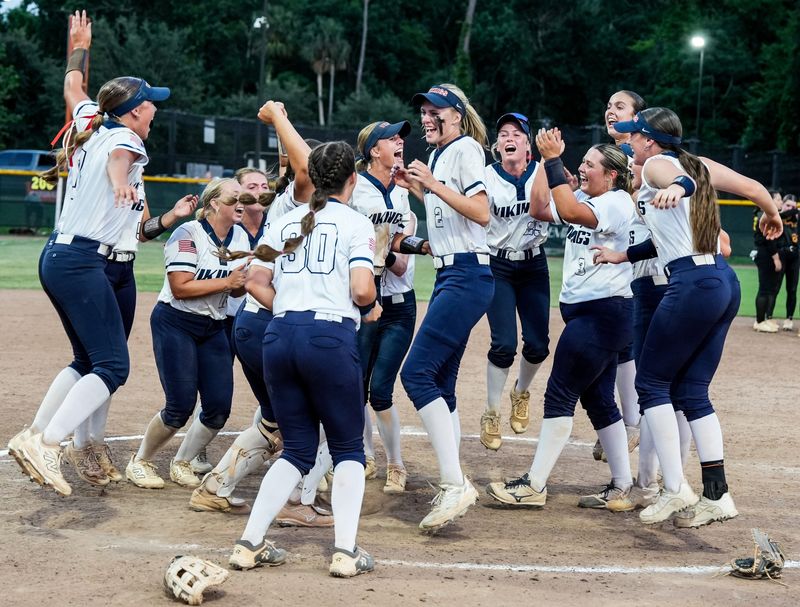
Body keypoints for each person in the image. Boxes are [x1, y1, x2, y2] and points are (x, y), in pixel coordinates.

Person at [7, 10, 174, 496]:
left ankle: (40, 437)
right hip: (84, 261)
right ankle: (49, 442)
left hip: (78, 258)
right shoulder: (124, 137)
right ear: (136, 109)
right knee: (113, 366)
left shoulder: (91, 121)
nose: (155, 110)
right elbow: (119, 163)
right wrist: (120, 184)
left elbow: (74, 89)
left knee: (90, 358)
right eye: (151, 104)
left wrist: (78, 46)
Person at [595, 107, 782, 527]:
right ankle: (717, 494)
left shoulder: (656, 166)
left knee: (651, 383)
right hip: (721, 280)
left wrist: (678, 189)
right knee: (693, 391)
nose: (628, 143)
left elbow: (676, 181)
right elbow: (752, 186)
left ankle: (676, 487)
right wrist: (772, 215)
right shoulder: (697, 162)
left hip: (692, 286)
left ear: (649, 140)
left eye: (632, 137)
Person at [227, 141, 377, 578]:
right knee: (348, 447)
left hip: (279, 335)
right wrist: (362, 308)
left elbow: (254, 279)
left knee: (296, 449)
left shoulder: (286, 219)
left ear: (311, 176)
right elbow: (363, 290)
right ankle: (346, 552)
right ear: (353, 179)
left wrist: (292, 310)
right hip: (328, 337)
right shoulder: (356, 223)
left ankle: (249, 543)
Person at [189, 102, 333, 527]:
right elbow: (306, 170)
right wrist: (278, 119)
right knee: (302, 419)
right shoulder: (296, 200)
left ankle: (215, 488)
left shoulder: (315, 208)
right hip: (269, 323)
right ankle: (293, 501)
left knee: (276, 418)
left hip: (258, 326)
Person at [485, 134, 637, 510]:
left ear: (613, 176)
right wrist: (542, 163)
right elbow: (539, 207)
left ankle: (534, 484)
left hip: (603, 312)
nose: (582, 168)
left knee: (560, 394)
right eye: (581, 162)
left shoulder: (616, 202)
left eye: (590, 164)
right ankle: (621, 486)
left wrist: (555, 163)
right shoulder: (585, 197)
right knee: (599, 399)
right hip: (596, 314)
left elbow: (569, 213)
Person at [394, 84, 494, 532]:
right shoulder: (439, 156)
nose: (427, 116)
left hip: (469, 275)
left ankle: (454, 483)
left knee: (416, 374)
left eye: (435, 110)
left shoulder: (467, 148)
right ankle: (452, 480)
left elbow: (481, 212)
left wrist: (432, 184)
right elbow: (447, 217)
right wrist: (421, 189)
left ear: (456, 115)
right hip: (451, 273)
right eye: (424, 110)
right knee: (441, 381)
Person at [125, 178, 250, 489]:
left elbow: (235, 293)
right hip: (176, 322)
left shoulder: (241, 238)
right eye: (234, 197)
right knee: (180, 406)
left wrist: (242, 283)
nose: (241, 203)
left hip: (213, 325)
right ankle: (140, 461)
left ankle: (182, 461)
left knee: (218, 407)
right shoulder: (187, 233)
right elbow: (181, 287)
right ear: (213, 205)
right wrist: (229, 282)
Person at [480, 112, 550, 451]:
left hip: (535, 264)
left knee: (538, 344)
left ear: (528, 145)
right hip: (499, 265)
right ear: (497, 146)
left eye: (517, 134)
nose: (509, 137)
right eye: (503, 133)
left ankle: (521, 392)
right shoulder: (486, 178)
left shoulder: (544, 172)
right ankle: (492, 412)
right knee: (504, 343)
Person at [351, 119, 413, 491]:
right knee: (356, 387)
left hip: (399, 305)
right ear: (374, 150)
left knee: (381, 391)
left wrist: (385, 252)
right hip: (363, 302)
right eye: (391, 138)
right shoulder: (356, 191)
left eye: (400, 137)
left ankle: (396, 464)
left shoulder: (403, 192)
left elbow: (401, 262)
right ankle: (365, 456)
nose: (399, 141)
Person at [752, 191, 785, 332]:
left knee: (769, 288)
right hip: (766, 256)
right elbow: (768, 239)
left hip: (767, 254)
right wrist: (776, 258)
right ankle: (759, 321)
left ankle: (764, 319)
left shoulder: (765, 215)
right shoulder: (763, 216)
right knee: (764, 289)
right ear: (769, 200)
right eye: (778, 199)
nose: (780, 202)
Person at [777, 194, 798, 331]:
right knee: (774, 288)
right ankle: (767, 317)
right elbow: (783, 216)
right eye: (788, 205)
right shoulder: (777, 215)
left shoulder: (797, 218)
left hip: (795, 256)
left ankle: (789, 319)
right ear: (783, 205)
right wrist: (795, 210)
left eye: (793, 206)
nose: (791, 208)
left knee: (792, 289)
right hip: (780, 255)